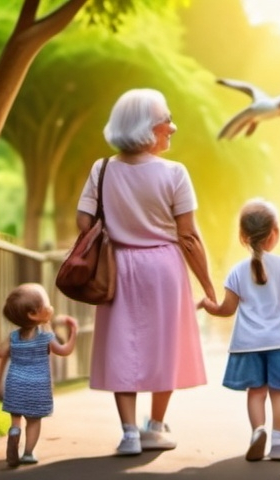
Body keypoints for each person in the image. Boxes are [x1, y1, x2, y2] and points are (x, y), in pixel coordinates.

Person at [76, 88, 217, 456]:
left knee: (123, 348)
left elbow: (83, 220)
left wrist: (117, 222)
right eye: (165, 121)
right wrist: (208, 285)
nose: (173, 126)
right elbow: (188, 237)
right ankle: (155, 426)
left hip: (118, 266)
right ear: (146, 128)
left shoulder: (101, 168)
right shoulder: (175, 173)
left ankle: (128, 433)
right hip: (164, 268)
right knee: (163, 346)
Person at [198, 199, 280, 462]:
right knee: (279, 393)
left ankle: (258, 431)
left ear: (243, 236)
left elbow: (226, 310)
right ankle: (279, 443)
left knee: (256, 392)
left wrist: (207, 304)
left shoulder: (236, 272)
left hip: (249, 344)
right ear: (275, 233)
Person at [0, 283, 78, 467]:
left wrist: (4, 352)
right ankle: (28, 453)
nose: (51, 308)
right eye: (46, 304)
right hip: (37, 387)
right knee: (33, 421)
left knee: (16, 417)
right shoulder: (46, 337)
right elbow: (64, 350)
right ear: (33, 314)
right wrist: (73, 332)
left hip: (15, 383)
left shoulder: (13, 337)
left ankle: (14, 433)